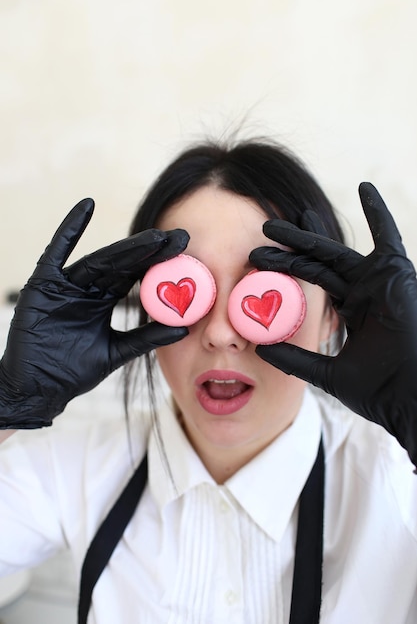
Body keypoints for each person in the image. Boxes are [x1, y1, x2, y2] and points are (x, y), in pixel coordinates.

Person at [1, 137, 417, 624]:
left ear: (332, 317)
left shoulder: (397, 485)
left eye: (268, 288)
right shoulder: (76, 467)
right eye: (188, 290)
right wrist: (7, 404)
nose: (221, 333)